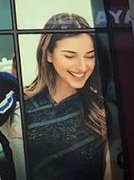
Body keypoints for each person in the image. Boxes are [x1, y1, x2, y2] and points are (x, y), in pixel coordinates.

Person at [22, 13, 114, 180]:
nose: (82, 67)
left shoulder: (101, 108)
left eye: (90, 56)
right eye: (70, 56)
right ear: (48, 54)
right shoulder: (23, 104)